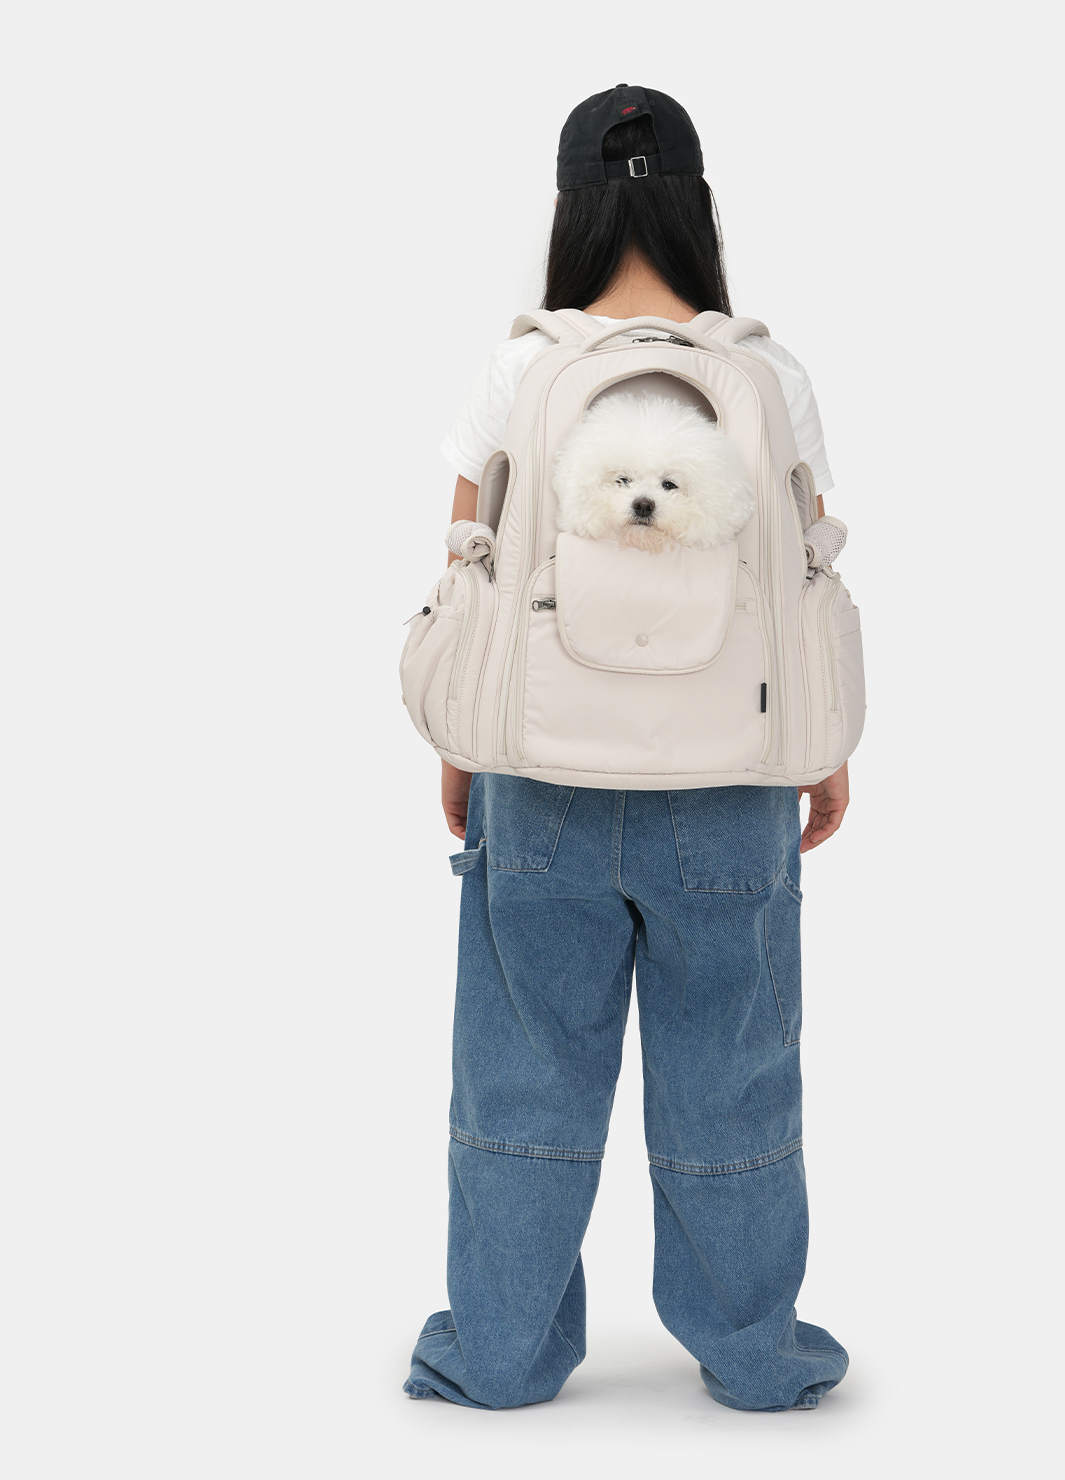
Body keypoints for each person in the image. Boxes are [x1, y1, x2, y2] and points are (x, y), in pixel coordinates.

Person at [404, 85, 851, 1413]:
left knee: (523, 1075)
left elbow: (468, 564)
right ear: (698, 206)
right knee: (735, 1077)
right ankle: (757, 1358)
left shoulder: (522, 370)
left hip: (540, 781)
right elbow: (806, 575)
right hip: (732, 786)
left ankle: (499, 1355)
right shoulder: (769, 374)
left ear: (570, 207)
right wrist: (822, 750)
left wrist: (462, 747)